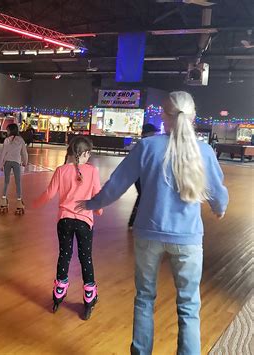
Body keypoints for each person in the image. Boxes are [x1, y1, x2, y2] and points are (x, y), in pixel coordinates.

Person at [77, 91, 228, 354]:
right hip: (188, 239)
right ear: (193, 117)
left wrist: (92, 204)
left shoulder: (147, 147)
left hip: (149, 235)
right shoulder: (204, 151)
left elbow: (117, 184)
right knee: (189, 306)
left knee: (145, 299)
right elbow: (217, 192)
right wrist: (219, 208)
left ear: (164, 117)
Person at [33, 136, 103, 320]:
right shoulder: (92, 171)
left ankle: (59, 292)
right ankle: (89, 295)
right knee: (85, 257)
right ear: (85, 153)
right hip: (84, 221)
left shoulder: (61, 170)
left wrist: (34, 205)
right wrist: (99, 210)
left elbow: (49, 194)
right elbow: (97, 195)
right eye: (89, 153)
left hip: (64, 220)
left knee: (65, 254)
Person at [128, 123, 160, 228]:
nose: (155, 134)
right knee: (143, 196)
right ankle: (135, 221)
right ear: (149, 132)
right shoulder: (146, 144)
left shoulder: (142, 143)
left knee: (142, 196)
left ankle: (135, 221)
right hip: (142, 175)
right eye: (153, 132)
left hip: (138, 175)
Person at [0, 123, 28, 215]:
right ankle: (19, 202)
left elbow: (3, 152)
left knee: (6, 181)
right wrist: (25, 162)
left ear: (11, 130)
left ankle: (3, 200)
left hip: (7, 162)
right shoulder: (21, 140)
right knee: (17, 182)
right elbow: (24, 153)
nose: (7, 132)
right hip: (16, 162)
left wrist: (0, 164)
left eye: (8, 130)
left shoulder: (7, 140)